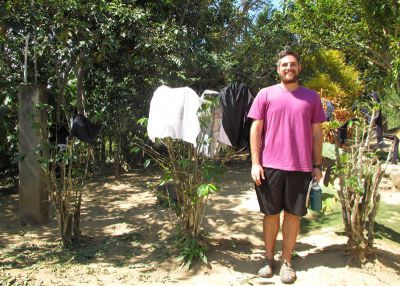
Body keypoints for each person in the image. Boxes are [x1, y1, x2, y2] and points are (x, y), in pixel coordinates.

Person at [247, 49, 325, 284]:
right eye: (284, 65)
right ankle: (268, 259)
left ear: (299, 68)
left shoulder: (311, 97)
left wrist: (317, 165)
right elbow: (256, 130)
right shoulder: (265, 94)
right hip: (269, 166)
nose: (288, 68)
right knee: (270, 215)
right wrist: (255, 163)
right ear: (278, 69)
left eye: (292, 64)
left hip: (301, 167)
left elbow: (317, 133)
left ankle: (287, 262)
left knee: (292, 216)